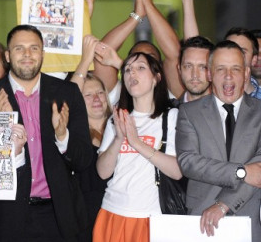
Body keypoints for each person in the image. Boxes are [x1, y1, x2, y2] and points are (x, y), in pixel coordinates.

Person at [0, 24, 92, 242]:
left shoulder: (67, 93)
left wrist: (63, 138)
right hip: (6, 217)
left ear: (42, 54)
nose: (27, 54)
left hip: (58, 216)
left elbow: (83, 161)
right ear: (7, 55)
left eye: (34, 48)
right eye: (19, 48)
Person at [176, 40, 261, 241]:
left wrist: (224, 205)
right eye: (221, 69)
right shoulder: (189, 112)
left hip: (247, 217)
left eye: (236, 69)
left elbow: (259, 172)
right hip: (200, 221)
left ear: (247, 73)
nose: (228, 76)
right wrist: (241, 172)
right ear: (209, 74)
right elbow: (188, 162)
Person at [93, 52, 182, 242]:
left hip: (150, 216)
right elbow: (103, 172)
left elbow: (177, 171)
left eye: (140, 68)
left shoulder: (171, 116)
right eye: (127, 70)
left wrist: (137, 143)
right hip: (112, 210)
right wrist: (118, 138)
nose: (132, 73)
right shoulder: (116, 118)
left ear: (156, 78)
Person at [76, 73, 110, 242]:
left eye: (100, 93)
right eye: (88, 95)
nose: (96, 98)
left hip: (121, 216)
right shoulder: (72, 138)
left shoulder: (123, 128)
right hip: (87, 224)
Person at [177, 36, 214, 103]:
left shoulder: (228, 111)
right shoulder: (170, 112)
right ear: (179, 70)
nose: (195, 75)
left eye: (203, 67)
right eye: (188, 66)